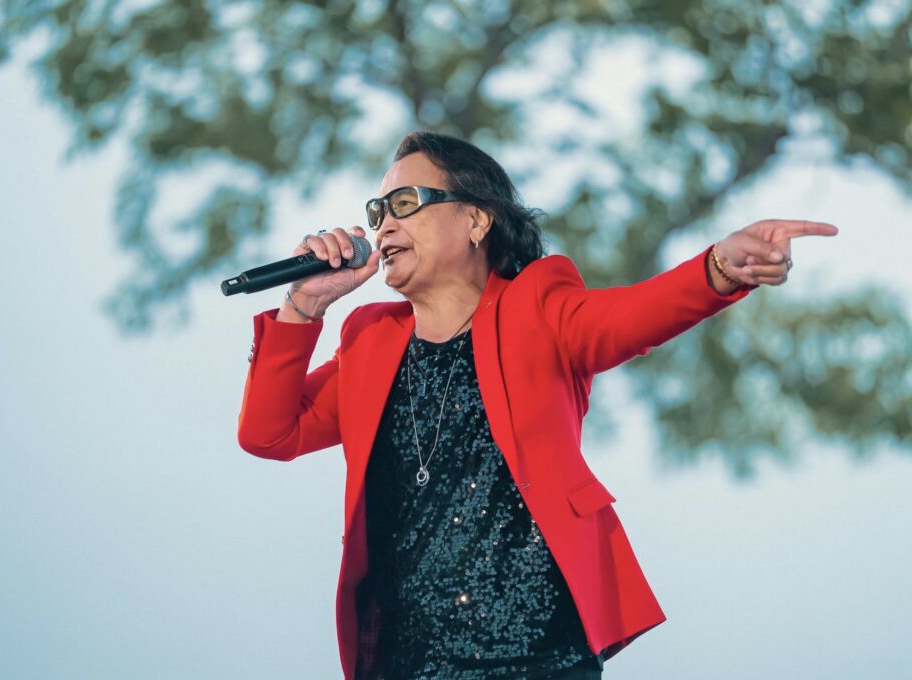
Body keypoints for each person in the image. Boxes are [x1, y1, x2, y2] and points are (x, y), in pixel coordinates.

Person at [236, 130, 838, 680]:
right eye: (378, 211)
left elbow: (629, 317)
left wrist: (718, 267)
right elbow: (269, 433)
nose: (383, 226)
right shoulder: (369, 341)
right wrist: (303, 304)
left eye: (404, 203)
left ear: (475, 219)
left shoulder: (537, 305)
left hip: (539, 658)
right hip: (407, 664)